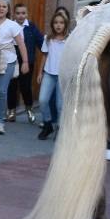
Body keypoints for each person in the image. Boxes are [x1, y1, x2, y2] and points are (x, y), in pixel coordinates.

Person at [0, 0, 28, 136]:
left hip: (8, 60)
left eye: (4, 6)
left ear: (8, 9)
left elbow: (21, 44)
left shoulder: (12, 25)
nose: (1, 9)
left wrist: (25, 62)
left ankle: (0, 122)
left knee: (1, 90)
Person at [6, 3, 43, 124]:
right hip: (12, 61)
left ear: (27, 14)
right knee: (12, 86)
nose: (21, 16)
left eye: (23, 13)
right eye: (18, 13)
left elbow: (41, 42)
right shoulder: (10, 26)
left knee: (25, 87)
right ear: (14, 14)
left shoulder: (31, 27)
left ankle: (29, 109)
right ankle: (11, 110)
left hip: (28, 62)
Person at [36, 11, 70, 141]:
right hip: (49, 73)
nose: (58, 25)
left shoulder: (69, 39)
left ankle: (60, 129)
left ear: (65, 24)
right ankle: (48, 124)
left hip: (62, 75)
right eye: (56, 23)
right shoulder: (48, 39)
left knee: (60, 105)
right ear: (52, 25)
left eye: (61, 23)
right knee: (43, 100)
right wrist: (40, 73)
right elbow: (44, 55)